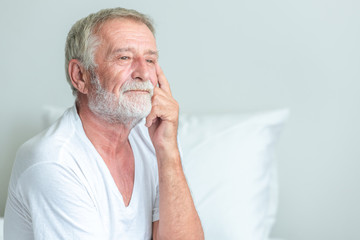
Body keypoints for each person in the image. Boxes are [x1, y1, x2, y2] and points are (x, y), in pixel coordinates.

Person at [4, 7, 204, 240]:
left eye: (150, 60)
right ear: (80, 76)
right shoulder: (53, 160)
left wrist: (168, 151)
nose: (143, 73)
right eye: (124, 57)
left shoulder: (151, 140)